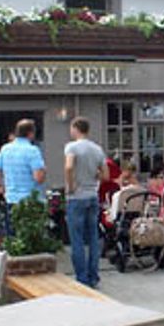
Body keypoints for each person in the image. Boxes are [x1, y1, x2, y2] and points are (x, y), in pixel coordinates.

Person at [64, 116, 108, 288]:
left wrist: (71, 185)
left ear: (76, 128)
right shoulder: (97, 149)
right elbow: (106, 175)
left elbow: (68, 166)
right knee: (93, 238)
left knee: (77, 240)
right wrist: (94, 176)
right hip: (92, 195)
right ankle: (94, 276)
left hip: (77, 197)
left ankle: (81, 278)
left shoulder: (72, 147)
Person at [0, 119, 47, 236]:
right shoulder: (33, 151)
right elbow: (39, 178)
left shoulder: (5, 149)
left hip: (11, 199)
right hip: (30, 201)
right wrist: (43, 171)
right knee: (30, 238)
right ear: (31, 133)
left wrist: (2, 188)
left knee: (13, 237)